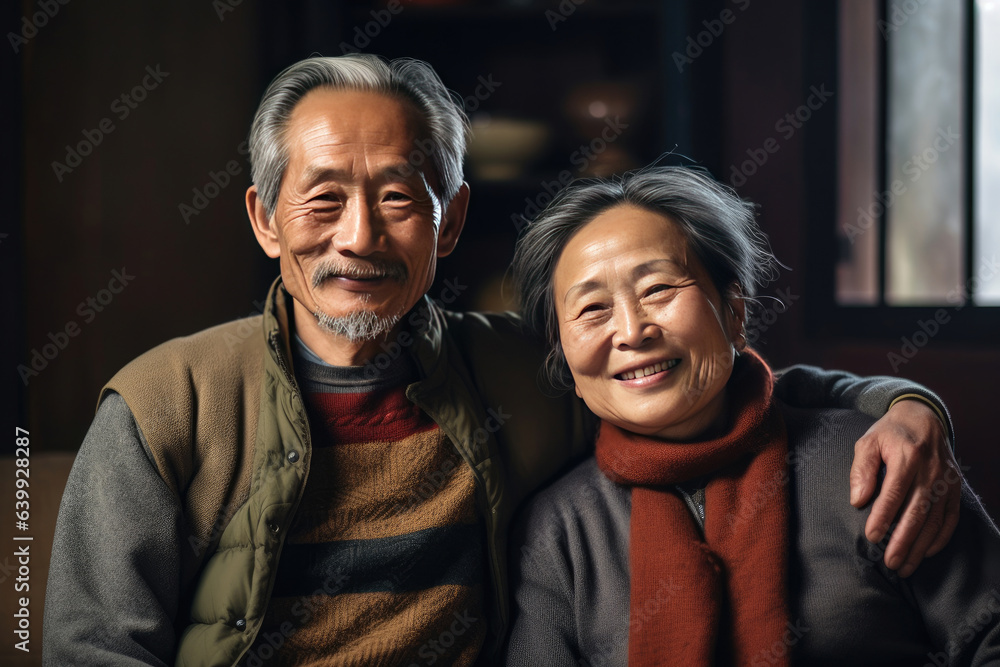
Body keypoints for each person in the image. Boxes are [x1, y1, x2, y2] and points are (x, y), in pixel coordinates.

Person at [43, 55, 960, 667]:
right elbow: (92, 649)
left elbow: (704, 383)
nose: (359, 237)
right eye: (323, 200)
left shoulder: (528, 371)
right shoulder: (168, 403)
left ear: (451, 223)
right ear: (262, 218)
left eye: (400, 197)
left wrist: (907, 402)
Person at [504, 166, 1000, 666]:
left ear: (734, 312)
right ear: (562, 352)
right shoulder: (559, 531)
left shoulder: (874, 462)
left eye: (657, 289)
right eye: (593, 309)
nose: (632, 332)